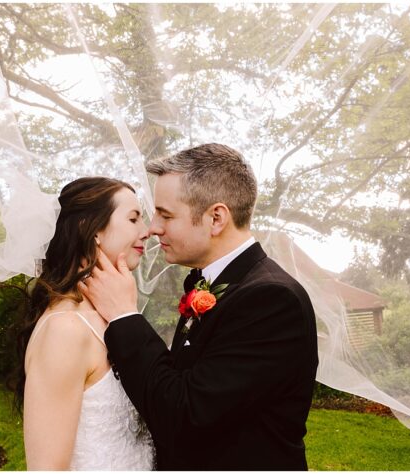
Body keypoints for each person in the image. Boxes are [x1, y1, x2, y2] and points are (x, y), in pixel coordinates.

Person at [81, 143, 319, 470]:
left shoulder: (272, 301)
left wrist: (125, 316)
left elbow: (186, 415)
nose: (153, 228)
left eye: (166, 214)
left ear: (216, 218)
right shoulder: (211, 284)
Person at [18, 177, 155, 470]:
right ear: (90, 229)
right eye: (133, 219)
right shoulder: (64, 330)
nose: (147, 233)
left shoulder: (113, 314)